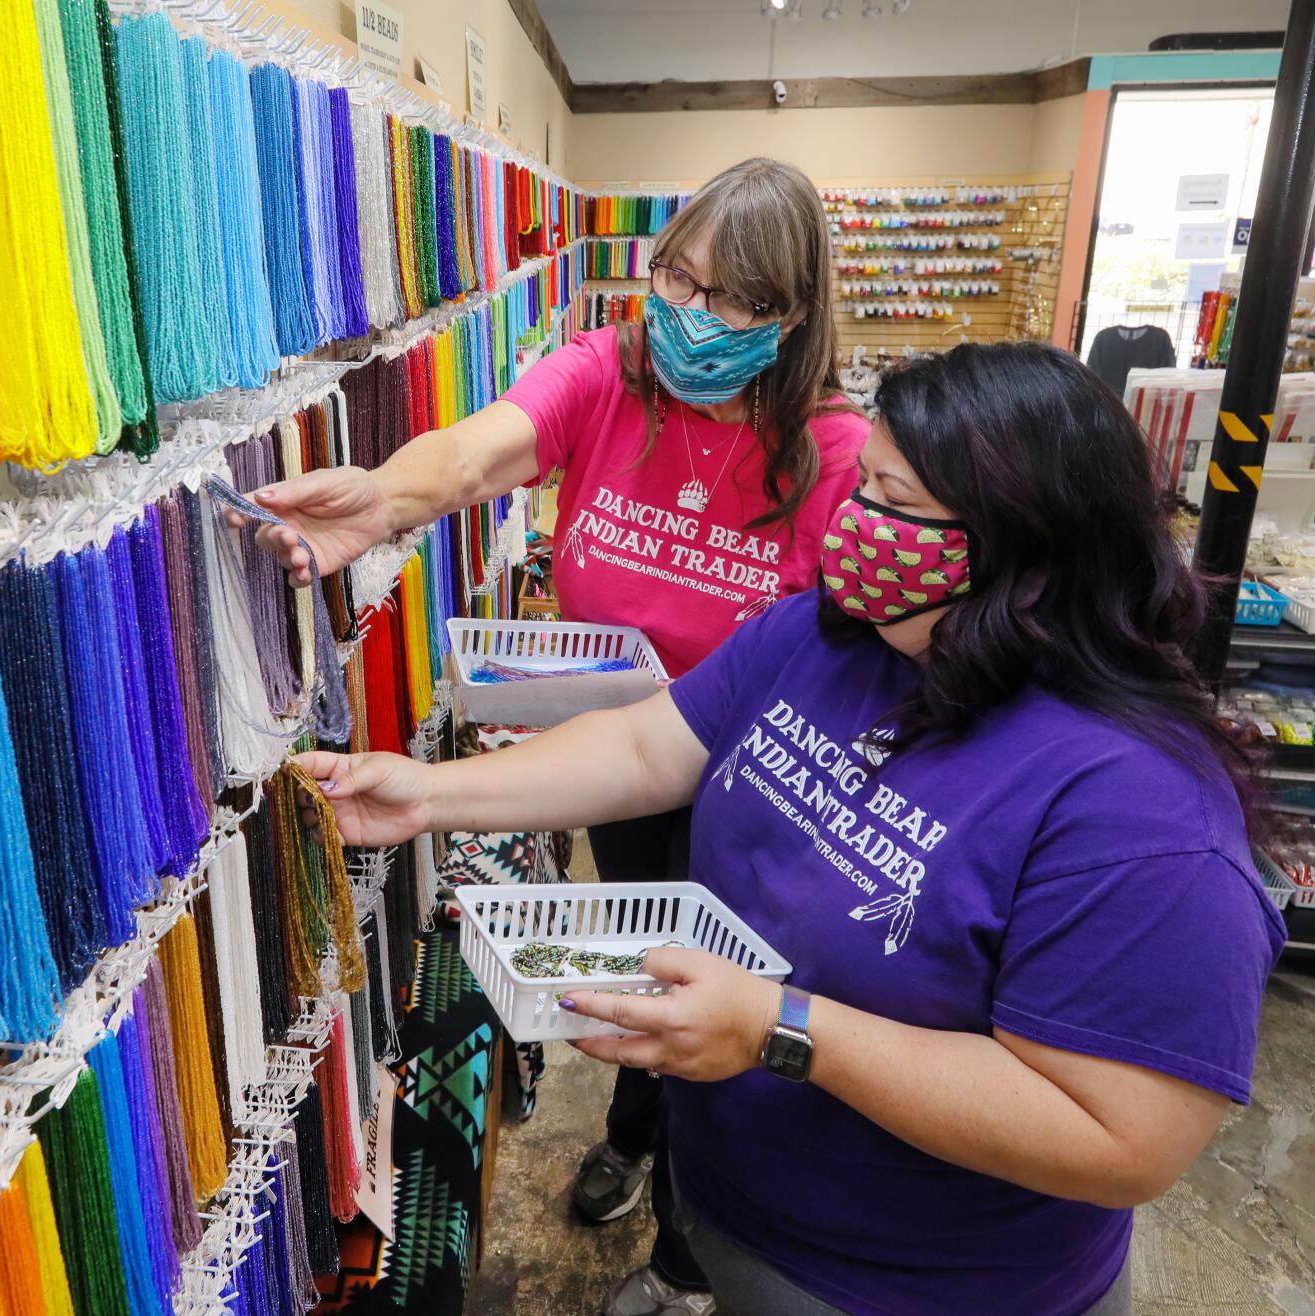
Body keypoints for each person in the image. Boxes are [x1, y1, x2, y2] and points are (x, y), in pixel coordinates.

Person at [295, 341, 1286, 1316]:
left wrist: (781, 1029)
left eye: (895, 504)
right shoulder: (829, 634)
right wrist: (431, 793)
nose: (854, 523)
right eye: (863, 487)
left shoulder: (1144, 813)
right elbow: (648, 748)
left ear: (1025, 542)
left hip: (924, 1284)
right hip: (734, 1207)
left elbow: (1119, 1137)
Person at [244, 157, 871, 1314]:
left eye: (729, 299)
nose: (687, 314)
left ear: (789, 315)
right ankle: (633, 1135)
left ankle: (684, 1259)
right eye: (675, 276)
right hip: (606, 754)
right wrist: (383, 498)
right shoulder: (611, 373)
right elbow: (481, 447)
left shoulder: (831, 454)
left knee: (721, 1007)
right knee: (636, 971)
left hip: (756, 795)